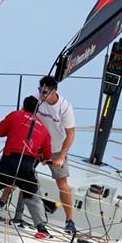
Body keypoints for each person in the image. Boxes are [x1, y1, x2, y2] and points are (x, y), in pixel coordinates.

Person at [0, 96, 54, 238]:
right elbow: (47, 154)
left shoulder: (15, 115)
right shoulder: (44, 128)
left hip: (9, 161)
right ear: (37, 110)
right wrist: (45, 158)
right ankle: (41, 229)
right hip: (27, 166)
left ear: (23, 106)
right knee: (33, 196)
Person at [35, 75, 77, 234]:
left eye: (45, 92)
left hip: (57, 149)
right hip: (38, 145)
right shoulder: (36, 99)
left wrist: (60, 157)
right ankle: (3, 201)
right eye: (40, 90)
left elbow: (71, 134)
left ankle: (69, 221)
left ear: (54, 92)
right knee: (19, 170)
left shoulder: (65, 107)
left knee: (62, 184)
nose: (41, 94)